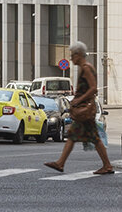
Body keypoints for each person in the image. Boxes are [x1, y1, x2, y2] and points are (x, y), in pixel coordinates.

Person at [43, 41, 115, 175]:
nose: (71, 58)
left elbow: (93, 88)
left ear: (78, 55)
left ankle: (106, 165)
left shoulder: (86, 68)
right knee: (84, 137)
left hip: (85, 110)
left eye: (72, 55)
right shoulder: (85, 67)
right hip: (86, 110)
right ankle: (106, 165)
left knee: (83, 137)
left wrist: (78, 100)